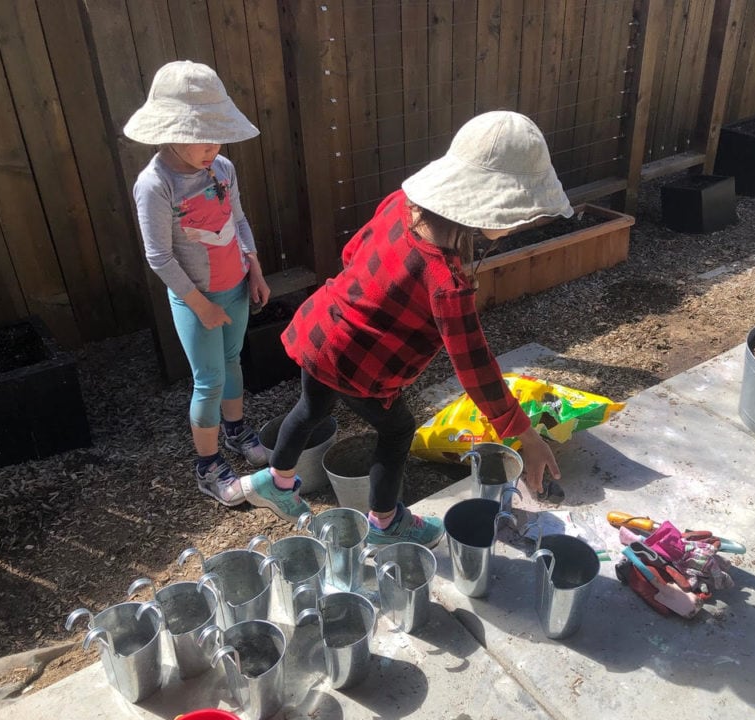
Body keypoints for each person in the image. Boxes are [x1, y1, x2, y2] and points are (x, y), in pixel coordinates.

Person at [241, 110, 569, 545]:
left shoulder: (402, 204)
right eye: (516, 216)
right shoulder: (447, 284)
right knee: (397, 431)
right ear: (487, 208)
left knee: (312, 407)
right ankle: (384, 522)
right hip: (356, 364)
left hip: (322, 330)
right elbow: (476, 369)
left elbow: (352, 251)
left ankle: (277, 481)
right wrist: (525, 435)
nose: (517, 225)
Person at [124, 61, 271, 506]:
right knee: (207, 379)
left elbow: (239, 219)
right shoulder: (155, 185)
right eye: (200, 136)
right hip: (196, 301)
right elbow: (159, 256)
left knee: (233, 361)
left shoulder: (222, 167)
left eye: (217, 134)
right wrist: (200, 305)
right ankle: (208, 466)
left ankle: (236, 432)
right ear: (170, 130)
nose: (212, 146)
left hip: (236, 287)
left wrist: (256, 268)